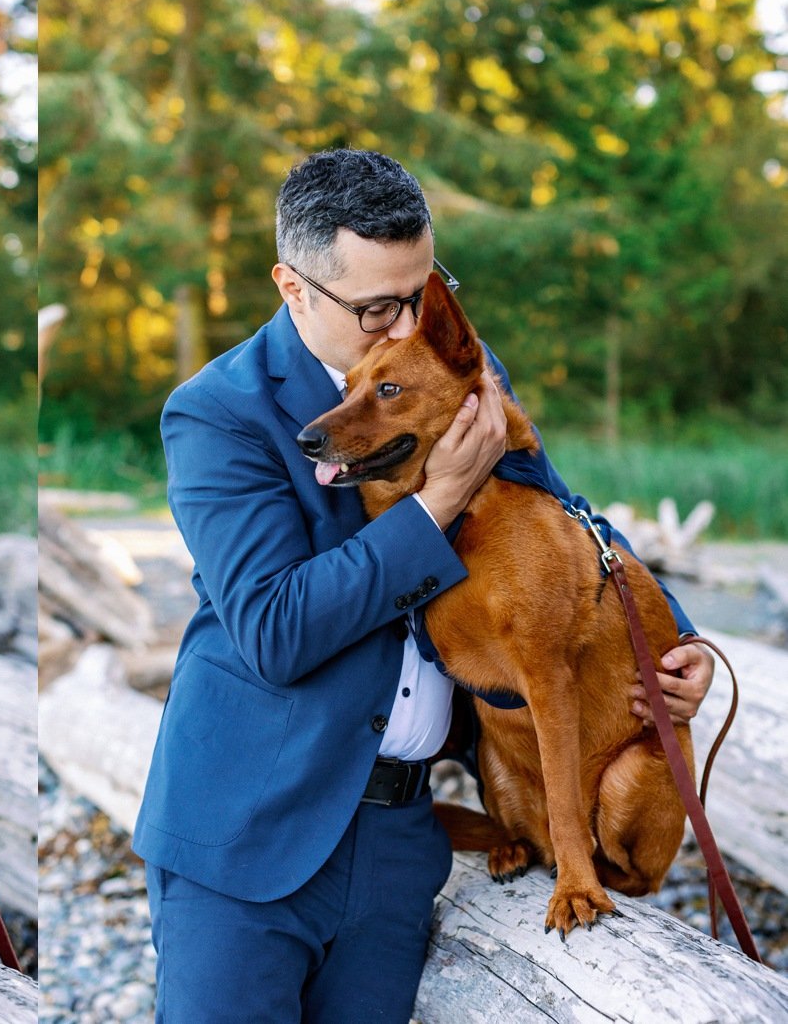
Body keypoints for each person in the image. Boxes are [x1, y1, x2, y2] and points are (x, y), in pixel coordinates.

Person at [132, 148, 714, 1022]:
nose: (406, 321)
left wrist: (677, 636)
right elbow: (276, 630)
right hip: (247, 832)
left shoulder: (449, 365)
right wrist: (437, 503)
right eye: (375, 307)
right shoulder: (219, 412)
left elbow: (560, 510)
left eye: (422, 289)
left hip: (405, 836)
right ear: (294, 289)